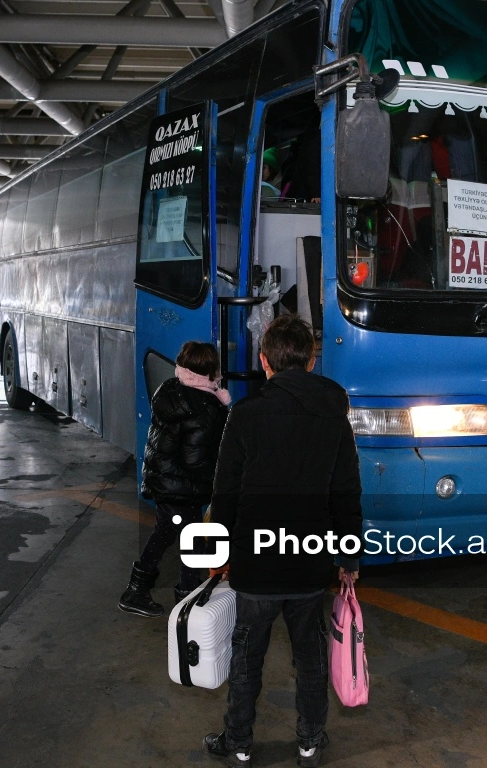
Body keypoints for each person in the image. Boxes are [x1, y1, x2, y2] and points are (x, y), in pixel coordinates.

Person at [203, 314, 362, 768]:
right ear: (312, 362)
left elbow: (225, 493)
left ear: (264, 361)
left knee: (247, 657)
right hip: (310, 565)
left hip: (257, 564)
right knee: (310, 657)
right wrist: (348, 556)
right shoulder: (334, 417)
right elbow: (346, 493)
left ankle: (238, 743)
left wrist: (219, 553)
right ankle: (310, 743)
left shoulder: (245, 415)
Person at [119, 342, 230, 618]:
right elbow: (195, 460)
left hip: (163, 480)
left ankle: (136, 590)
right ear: (211, 372)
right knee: (193, 544)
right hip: (180, 487)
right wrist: (218, 480)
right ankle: (189, 605)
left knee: (164, 532)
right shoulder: (203, 407)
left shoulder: (170, 390)